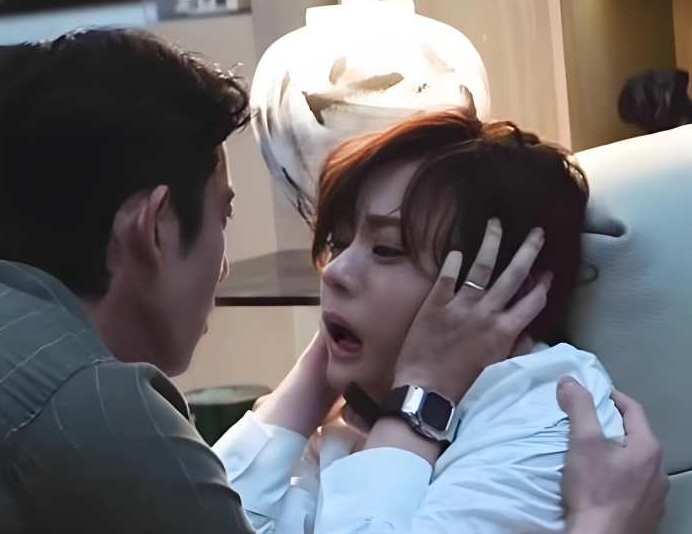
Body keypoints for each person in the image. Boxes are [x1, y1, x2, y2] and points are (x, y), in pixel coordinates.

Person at [0, 29, 667, 534]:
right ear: (156, 229)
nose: (333, 270)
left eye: (383, 250)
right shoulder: (89, 407)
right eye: (228, 215)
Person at [212, 111, 670, 533]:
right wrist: (312, 382)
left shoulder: (547, 413)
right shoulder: (356, 417)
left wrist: (420, 397)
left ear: (507, 290)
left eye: (386, 249)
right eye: (338, 243)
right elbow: (205, 519)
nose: (333, 272)